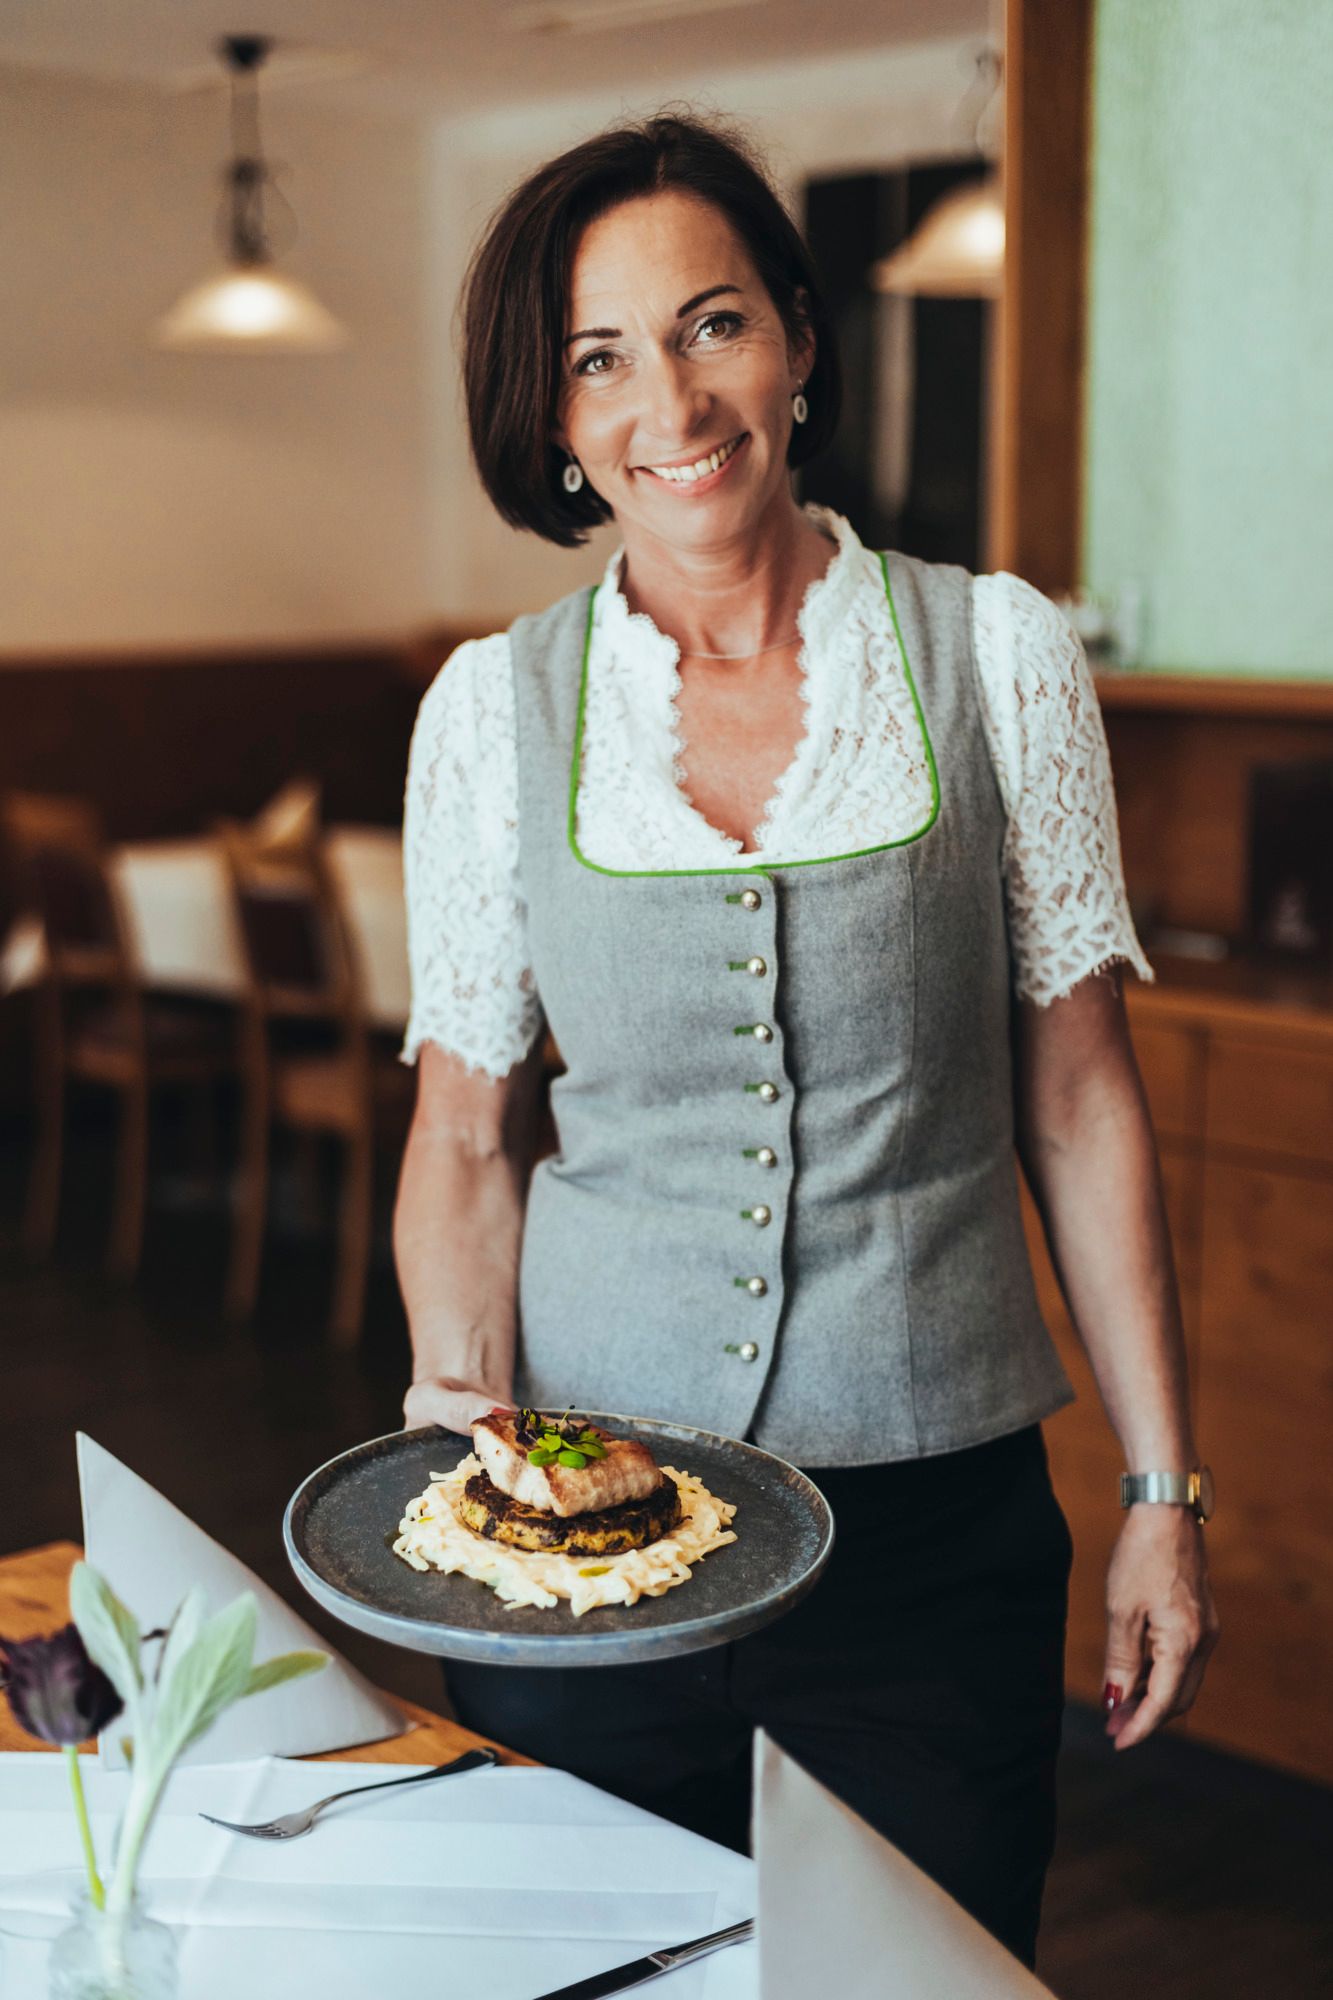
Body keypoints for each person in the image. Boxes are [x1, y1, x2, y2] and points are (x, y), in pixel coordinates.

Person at [394, 112, 1217, 1968]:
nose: (668, 402)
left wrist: (1163, 1493)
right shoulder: (488, 714)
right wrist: (463, 1416)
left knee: (923, 1969)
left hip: (933, 1545)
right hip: (592, 1538)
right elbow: (462, 1135)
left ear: (796, 343)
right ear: (549, 415)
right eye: (599, 357)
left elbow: (1079, 1106)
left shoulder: (993, 655)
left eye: (710, 325)